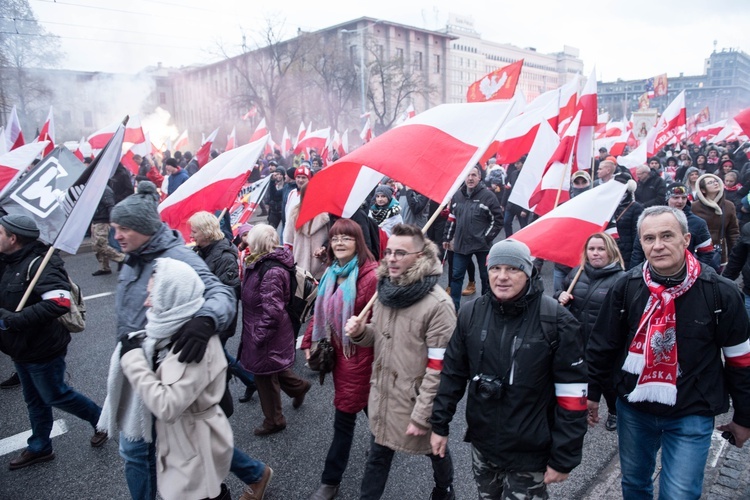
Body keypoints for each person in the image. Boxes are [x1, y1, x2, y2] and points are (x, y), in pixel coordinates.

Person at [99, 182, 272, 500]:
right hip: (141, 359)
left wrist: (206, 319)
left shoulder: (176, 258)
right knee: (189, 438)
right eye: (114, 228)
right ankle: (253, 473)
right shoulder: (134, 257)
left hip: (169, 365)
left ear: (143, 228)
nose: (117, 235)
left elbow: (221, 292)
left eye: (123, 228)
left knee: (141, 450)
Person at [587, 206, 750, 499]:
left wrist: (745, 416)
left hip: (692, 410)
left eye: (667, 236)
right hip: (634, 408)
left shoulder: (720, 292)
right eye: (649, 238)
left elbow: (741, 360)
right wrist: (591, 395)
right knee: (635, 485)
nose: (658, 245)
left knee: (680, 494)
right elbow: (602, 346)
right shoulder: (627, 286)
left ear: (686, 239)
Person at [430, 239, 587, 499]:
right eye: (495, 268)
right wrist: (439, 425)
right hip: (483, 445)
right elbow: (453, 375)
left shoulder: (556, 320)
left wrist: (564, 456)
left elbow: (572, 397)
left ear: (528, 272)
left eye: (513, 269)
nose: (502, 277)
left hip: (530, 453)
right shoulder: (471, 313)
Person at [345, 223, 456, 500]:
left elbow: (439, 369)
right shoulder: (385, 291)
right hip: (384, 394)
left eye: (400, 253)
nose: (392, 259)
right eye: (389, 252)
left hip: (416, 400)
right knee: (377, 457)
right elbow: (381, 338)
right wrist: (361, 333)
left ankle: (445, 489)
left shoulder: (438, 306)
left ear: (420, 257)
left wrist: (422, 416)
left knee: (435, 450)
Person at [0, 214, 107, 470]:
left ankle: (103, 420)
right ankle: (40, 446)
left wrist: (12, 321)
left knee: (55, 394)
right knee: (34, 399)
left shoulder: (42, 263)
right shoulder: (6, 260)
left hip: (42, 348)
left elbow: (59, 303)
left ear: (13, 238)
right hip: (19, 347)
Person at [119, 258, 233, 500]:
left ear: (172, 295)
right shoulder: (170, 330)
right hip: (185, 441)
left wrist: (133, 360)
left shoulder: (191, 342)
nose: (147, 301)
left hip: (194, 447)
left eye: (154, 294)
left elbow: (167, 405)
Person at [301, 219, 378, 500]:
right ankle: (382, 438)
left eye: (347, 238)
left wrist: (361, 329)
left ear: (359, 242)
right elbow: (321, 309)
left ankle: (329, 481)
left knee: (344, 418)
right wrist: (310, 338)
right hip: (339, 354)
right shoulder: (332, 272)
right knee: (372, 409)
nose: (340, 243)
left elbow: (381, 323)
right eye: (335, 239)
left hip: (361, 357)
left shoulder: (372, 277)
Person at [239, 224, 311, 436]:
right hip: (262, 328)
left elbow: (273, 312)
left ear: (258, 243)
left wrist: (259, 336)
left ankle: (274, 420)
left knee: (264, 375)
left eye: (249, 239)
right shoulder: (261, 263)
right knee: (271, 367)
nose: (246, 242)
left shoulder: (270, 271)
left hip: (266, 331)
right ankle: (298, 387)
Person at [556, 233, 625, 431]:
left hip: (605, 343)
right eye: (591, 249)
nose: (595, 253)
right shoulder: (576, 273)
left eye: (601, 249)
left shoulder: (620, 279)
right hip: (577, 338)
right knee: (577, 377)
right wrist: (560, 296)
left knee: (607, 382)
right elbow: (561, 295)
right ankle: (578, 410)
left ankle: (614, 411)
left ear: (610, 251)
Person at [188, 211, 257, 402]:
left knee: (214, 356)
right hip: (206, 315)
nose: (191, 236)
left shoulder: (224, 257)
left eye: (194, 232)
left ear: (207, 232)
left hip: (220, 318)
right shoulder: (201, 251)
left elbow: (230, 292)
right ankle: (251, 381)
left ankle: (220, 397)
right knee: (218, 354)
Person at [443, 164, 503, 311]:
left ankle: (486, 309)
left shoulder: (488, 196)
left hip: (482, 245)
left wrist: (486, 238)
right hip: (461, 244)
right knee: (456, 277)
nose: (470, 178)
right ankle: (453, 310)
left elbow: (498, 220)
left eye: (473, 175)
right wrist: (447, 237)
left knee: (485, 277)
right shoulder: (457, 196)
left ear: (479, 177)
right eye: (467, 175)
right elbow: (452, 218)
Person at [630, 182, 717, 271]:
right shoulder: (651, 220)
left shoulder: (697, 223)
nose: (680, 201)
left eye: (684, 198)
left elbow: (707, 253)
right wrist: (634, 276)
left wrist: (695, 273)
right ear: (667, 198)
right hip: (654, 274)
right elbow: (638, 253)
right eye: (675, 197)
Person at [691, 173, 740, 268]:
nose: (715, 183)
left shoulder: (729, 206)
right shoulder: (694, 207)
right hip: (699, 253)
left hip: (719, 252)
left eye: (716, 181)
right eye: (710, 182)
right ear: (703, 190)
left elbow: (733, 232)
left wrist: (736, 255)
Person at [284, 184, 330, 280]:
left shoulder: (326, 213)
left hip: (307, 264)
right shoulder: (295, 212)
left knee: (303, 293)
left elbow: (288, 240)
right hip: (319, 265)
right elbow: (289, 240)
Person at [90, 185, 125, 276]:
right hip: (96, 220)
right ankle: (104, 267)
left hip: (102, 221)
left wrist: (112, 221)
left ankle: (121, 258)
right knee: (96, 247)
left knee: (101, 245)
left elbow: (110, 205)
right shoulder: (96, 188)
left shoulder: (105, 190)